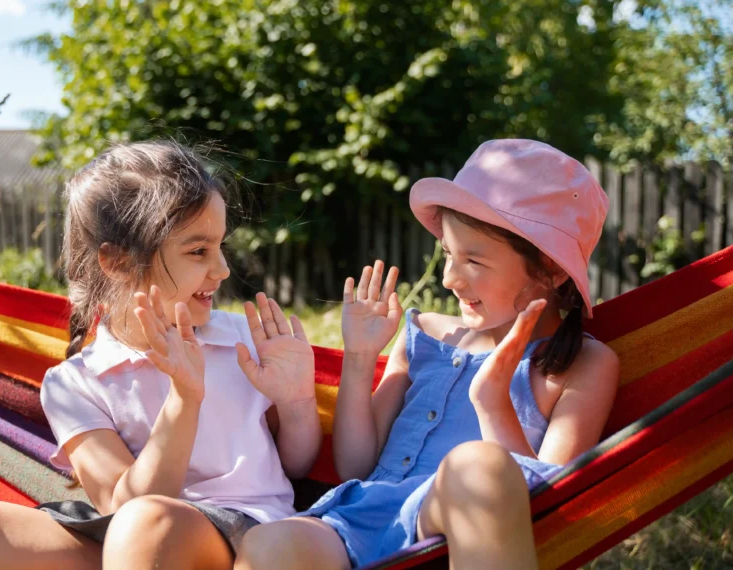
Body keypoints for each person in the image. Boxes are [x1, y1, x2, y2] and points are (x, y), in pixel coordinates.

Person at [0, 140, 321, 570]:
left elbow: (298, 465)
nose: (221, 270)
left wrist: (296, 403)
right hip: (127, 534)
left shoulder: (243, 340)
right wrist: (184, 400)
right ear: (119, 263)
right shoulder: (74, 385)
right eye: (199, 251)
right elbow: (121, 506)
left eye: (220, 247)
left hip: (246, 533)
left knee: (149, 527)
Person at [236, 139, 620, 570]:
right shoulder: (425, 334)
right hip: (358, 523)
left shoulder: (582, 364)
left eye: (473, 259)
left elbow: (550, 500)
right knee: (270, 545)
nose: (450, 278)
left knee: (478, 466)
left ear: (550, 269)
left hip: (454, 527)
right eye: (449, 255)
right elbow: (355, 465)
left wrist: (492, 400)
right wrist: (362, 356)